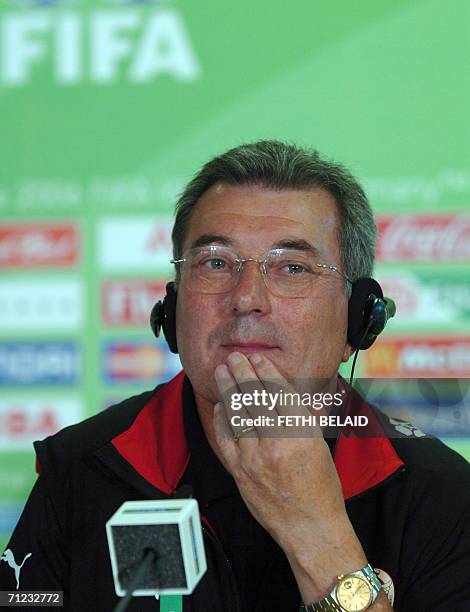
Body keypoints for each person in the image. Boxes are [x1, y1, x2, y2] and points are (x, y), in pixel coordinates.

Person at [1, 140, 469, 611]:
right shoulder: (82, 470)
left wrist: (319, 537)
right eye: (216, 263)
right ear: (173, 307)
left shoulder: (442, 497)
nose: (247, 297)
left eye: (291, 267)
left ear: (356, 320)